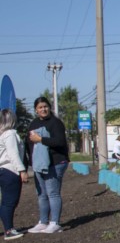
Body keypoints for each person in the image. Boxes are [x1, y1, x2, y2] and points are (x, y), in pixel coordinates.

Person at [24, 96, 70, 234]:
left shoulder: (56, 123)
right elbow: (28, 144)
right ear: (36, 110)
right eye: (40, 107)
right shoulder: (33, 124)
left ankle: (55, 223)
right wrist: (29, 163)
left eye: (45, 106)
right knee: (42, 194)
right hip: (39, 164)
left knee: (52, 193)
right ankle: (43, 222)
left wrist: (41, 139)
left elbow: (60, 142)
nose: (43, 109)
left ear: (49, 107)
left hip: (55, 162)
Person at [0, 109, 28, 240]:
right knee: (10, 201)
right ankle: (9, 230)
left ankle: (8, 228)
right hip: (10, 171)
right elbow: (13, 154)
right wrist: (21, 170)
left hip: (3, 170)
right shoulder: (10, 134)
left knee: (7, 202)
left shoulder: (2, 135)